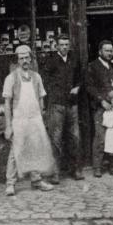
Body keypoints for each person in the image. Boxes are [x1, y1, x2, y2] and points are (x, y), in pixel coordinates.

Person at [2, 45, 55, 196]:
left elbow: (40, 99)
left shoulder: (36, 77)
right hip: (19, 119)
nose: (25, 61)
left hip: (35, 118)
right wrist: (8, 126)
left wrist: (41, 118)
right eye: (21, 58)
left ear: (31, 59)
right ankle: (10, 183)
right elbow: (6, 104)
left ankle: (37, 180)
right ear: (17, 60)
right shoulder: (11, 78)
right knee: (15, 151)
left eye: (27, 58)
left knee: (36, 149)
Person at [40, 33, 84, 182]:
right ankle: (55, 173)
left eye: (67, 44)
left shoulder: (74, 59)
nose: (65, 47)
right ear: (57, 46)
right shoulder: (50, 61)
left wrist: (77, 87)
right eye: (62, 44)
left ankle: (76, 169)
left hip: (72, 105)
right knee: (56, 139)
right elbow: (44, 82)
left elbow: (79, 77)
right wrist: (55, 93)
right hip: (56, 105)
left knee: (75, 138)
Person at [84, 39, 113, 177]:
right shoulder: (93, 66)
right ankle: (97, 167)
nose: (109, 53)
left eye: (110, 50)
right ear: (100, 51)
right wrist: (101, 100)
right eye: (106, 50)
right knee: (100, 137)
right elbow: (89, 87)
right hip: (102, 107)